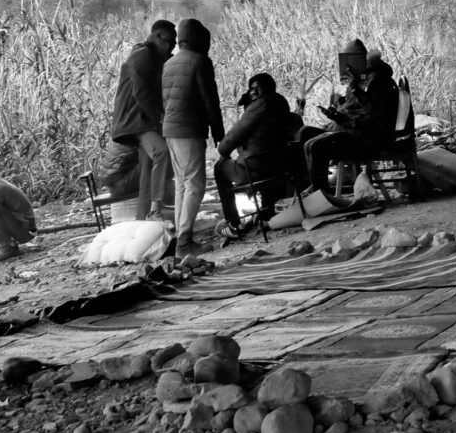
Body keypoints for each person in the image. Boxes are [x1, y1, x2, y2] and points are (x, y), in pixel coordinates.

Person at [301, 39, 399, 193]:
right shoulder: (359, 80)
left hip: (368, 139)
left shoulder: (380, 81)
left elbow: (375, 114)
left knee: (317, 146)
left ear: (360, 59)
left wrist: (353, 91)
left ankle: (322, 195)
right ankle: (312, 186)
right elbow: (355, 110)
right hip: (353, 132)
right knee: (305, 133)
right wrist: (338, 114)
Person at [161, 18, 224, 257]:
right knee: (195, 185)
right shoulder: (200, 61)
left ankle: (180, 238)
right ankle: (185, 241)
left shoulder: (170, 63)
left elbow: (165, 101)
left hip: (171, 130)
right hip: (188, 130)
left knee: (182, 184)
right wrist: (219, 134)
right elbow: (210, 101)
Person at [214, 73, 302, 239]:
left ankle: (233, 223)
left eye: (256, 88)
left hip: (256, 169)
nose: (252, 92)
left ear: (266, 89)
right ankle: (267, 212)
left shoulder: (260, 105)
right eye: (251, 89)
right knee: (267, 159)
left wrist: (223, 152)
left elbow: (231, 139)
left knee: (219, 168)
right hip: (281, 166)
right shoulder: (282, 103)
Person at [110, 19, 177, 220]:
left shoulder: (154, 57)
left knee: (148, 167)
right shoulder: (143, 55)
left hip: (142, 119)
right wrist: (159, 120)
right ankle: (156, 209)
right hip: (135, 119)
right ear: (157, 36)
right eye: (170, 43)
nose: (171, 48)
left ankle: (143, 217)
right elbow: (141, 93)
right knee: (162, 153)